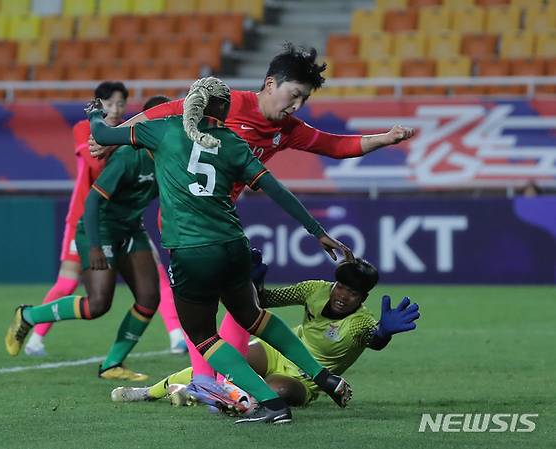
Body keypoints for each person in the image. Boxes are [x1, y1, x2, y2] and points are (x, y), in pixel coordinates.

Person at [89, 43, 416, 389]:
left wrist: (386, 138)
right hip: (187, 224)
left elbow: (334, 145)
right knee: (225, 309)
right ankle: (208, 383)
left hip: (223, 225)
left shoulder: (288, 129)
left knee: (235, 308)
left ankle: (218, 385)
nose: (297, 106)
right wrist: (114, 140)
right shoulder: (225, 105)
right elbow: (159, 115)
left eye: (304, 99)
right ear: (271, 83)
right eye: (293, 95)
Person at [79, 76, 360, 424]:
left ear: (190, 103)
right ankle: (323, 376)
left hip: (192, 251)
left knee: (202, 335)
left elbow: (104, 137)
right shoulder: (233, 142)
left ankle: (271, 405)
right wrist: (317, 231)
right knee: (255, 318)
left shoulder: (164, 131)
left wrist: (94, 113)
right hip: (233, 246)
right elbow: (277, 190)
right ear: (225, 112)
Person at [5, 96, 177, 381]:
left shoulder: (167, 157)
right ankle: (28, 316)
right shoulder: (127, 156)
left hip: (131, 229)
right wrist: (95, 245)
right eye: (168, 122)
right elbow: (93, 202)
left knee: (149, 298)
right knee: (97, 305)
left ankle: (112, 364)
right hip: (101, 229)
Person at [111, 258, 420, 410]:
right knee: (230, 359)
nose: (342, 295)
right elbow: (265, 300)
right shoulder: (315, 290)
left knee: (278, 393)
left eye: (352, 292)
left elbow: (373, 338)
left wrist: (384, 334)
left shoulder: (360, 322)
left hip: (306, 380)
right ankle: (151, 391)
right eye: (341, 286)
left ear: (362, 299)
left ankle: (205, 393)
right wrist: (254, 284)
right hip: (278, 351)